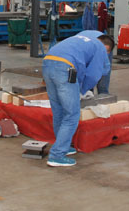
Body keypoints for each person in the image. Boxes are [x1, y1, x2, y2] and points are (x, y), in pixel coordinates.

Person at [42, 32, 114, 167]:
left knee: (58, 111)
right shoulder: (100, 48)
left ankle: (62, 145)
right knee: (72, 114)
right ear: (107, 50)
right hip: (64, 68)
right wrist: (82, 91)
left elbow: (80, 69)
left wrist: (78, 86)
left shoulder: (83, 39)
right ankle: (57, 155)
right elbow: (94, 75)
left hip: (47, 63)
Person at [78, 29, 112, 94]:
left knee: (102, 83)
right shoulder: (78, 52)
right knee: (87, 82)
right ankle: (88, 93)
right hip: (89, 41)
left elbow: (105, 68)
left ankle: (103, 93)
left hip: (104, 42)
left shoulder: (103, 49)